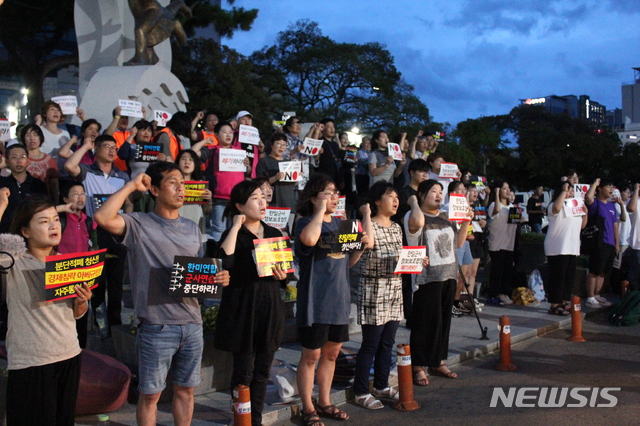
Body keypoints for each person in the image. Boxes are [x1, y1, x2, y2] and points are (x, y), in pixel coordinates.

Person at [93, 161, 230, 426]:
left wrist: (218, 277)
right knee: (151, 395)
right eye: (172, 182)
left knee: (186, 390)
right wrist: (132, 185)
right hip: (157, 325)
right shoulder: (138, 224)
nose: (181, 188)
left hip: (192, 323)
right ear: (154, 190)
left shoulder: (192, 227)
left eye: (182, 182)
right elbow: (102, 217)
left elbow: (198, 274)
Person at [5, 195, 92, 425]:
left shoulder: (67, 262)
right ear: (25, 231)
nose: (54, 225)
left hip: (68, 354)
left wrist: (82, 301)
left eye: (56, 219)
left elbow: (74, 313)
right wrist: (2, 206)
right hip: (30, 362)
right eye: (43, 221)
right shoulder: (13, 262)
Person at [294, 173, 369, 425]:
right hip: (314, 300)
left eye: (336, 192)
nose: (334, 197)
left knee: (331, 354)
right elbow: (309, 240)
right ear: (314, 197)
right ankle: (308, 406)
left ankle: (325, 401)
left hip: (339, 298)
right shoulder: (304, 221)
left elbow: (348, 262)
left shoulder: (342, 225)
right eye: (327, 192)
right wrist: (319, 211)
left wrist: (360, 246)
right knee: (311, 356)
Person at [214, 180, 288, 426]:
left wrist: (284, 276)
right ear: (240, 205)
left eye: (263, 198)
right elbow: (223, 260)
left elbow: (286, 272)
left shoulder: (275, 233)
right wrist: (236, 227)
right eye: (255, 199)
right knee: (243, 372)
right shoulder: (232, 234)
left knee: (262, 371)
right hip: (243, 309)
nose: (262, 202)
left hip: (269, 307)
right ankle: (242, 419)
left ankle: (255, 419)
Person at [353, 182, 427, 410]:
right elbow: (368, 245)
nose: (396, 201)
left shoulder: (396, 227)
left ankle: (382, 384)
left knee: (388, 342)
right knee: (370, 343)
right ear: (376, 201)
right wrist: (366, 214)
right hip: (374, 289)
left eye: (397, 197)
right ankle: (361, 390)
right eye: (390, 197)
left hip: (394, 289)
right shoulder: (363, 224)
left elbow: (399, 256)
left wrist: (415, 261)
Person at [405, 179, 473, 385]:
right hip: (426, 278)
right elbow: (416, 224)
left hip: (449, 275)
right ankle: (418, 364)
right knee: (424, 322)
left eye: (440, 191)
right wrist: (413, 202)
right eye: (433, 191)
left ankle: (438, 360)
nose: (438, 195)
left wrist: (466, 222)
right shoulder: (414, 215)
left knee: (443, 322)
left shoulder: (446, 217)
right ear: (422, 194)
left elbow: (459, 243)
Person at [65, 134, 131, 332]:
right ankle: (100, 323)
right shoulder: (87, 172)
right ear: (97, 149)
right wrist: (86, 146)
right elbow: (69, 166)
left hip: (118, 232)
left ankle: (115, 324)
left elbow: (129, 203)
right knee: (97, 282)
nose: (112, 151)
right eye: (107, 147)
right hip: (94, 233)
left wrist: (126, 223)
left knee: (116, 282)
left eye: (114, 147)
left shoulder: (123, 176)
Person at [202, 121, 251, 241]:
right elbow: (194, 153)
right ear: (217, 135)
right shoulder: (211, 151)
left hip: (237, 198)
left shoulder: (239, 152)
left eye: (230, 132)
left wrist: (247, 165)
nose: (228, 135)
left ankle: (233, 256)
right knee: (219, 229)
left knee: (237, 229)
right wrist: (204, 141)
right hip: (219, 198)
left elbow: (247, 172)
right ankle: (217, 257)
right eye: (224, 132)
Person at [544, 181, 588, 315]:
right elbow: (556, 208)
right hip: (557, 246)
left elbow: (582, 225)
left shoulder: (573, 207)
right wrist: (563, 191)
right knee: (557, 276)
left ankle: (563, 301)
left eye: (571, 192)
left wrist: (585, 213)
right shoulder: (555, 205)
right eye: (568, 191)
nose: (570, 194)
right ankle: (554, 304)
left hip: (572, 247)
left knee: (568, 276)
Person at [584, 178, 621, 308]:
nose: (611, 189)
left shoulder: (611, 206)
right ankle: (590, 297)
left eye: (612, 186)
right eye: (608, 186)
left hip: (610, 243)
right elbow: (588, 198)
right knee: (595, 270)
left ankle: (598, 295)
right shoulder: (596, 203)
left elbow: (615, 225)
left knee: (603, 272)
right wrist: (594, 184)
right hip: (599, 242)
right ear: (600, 189)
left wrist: (617, 244)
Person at [0, 144, 49, 232]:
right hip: (6, 234)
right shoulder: (2, 183)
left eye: (22, 157)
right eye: (14, 157)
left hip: (32, 234)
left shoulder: (38, 185)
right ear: (7, 162)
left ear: (28, 161)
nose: (19, 161)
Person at [486, 180, 518, 306]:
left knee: (507, 270)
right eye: (504, 188)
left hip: (508, 242)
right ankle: (493, 294)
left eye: (508, 188)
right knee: (497, 270)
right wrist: (497, 193)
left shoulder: (512, 207)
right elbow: (497, 210)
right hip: (497, 243)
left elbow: (516, 222)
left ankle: (503, 293)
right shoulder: (493, 204)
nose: (507, 191)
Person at [176, 149, 212, 246]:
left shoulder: (201, 184)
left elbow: (207, 212)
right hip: (175, 230)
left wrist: (208, 200)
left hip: (197, 231)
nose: (187, 162)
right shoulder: (172, 184)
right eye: (183, 159)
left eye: (191, 160)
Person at [256, 132, 297, 211]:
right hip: (273, 202)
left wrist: (297, 177)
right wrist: (275, 178)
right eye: (278, 144)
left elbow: (293, 184)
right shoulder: (263, 161)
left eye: (284, 145)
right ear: (271, 145)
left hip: (289, 202)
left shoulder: (289, 163)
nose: (281, 147)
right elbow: (259, 183)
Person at [22, 124, 59, 202]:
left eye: (35, 135)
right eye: (28, 135)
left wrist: (56, 204)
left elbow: (54, 186)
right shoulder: (18, 159)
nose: (32, 138)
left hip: (43, 201)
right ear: (23, 139)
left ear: (40, 138)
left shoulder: (50, 161)